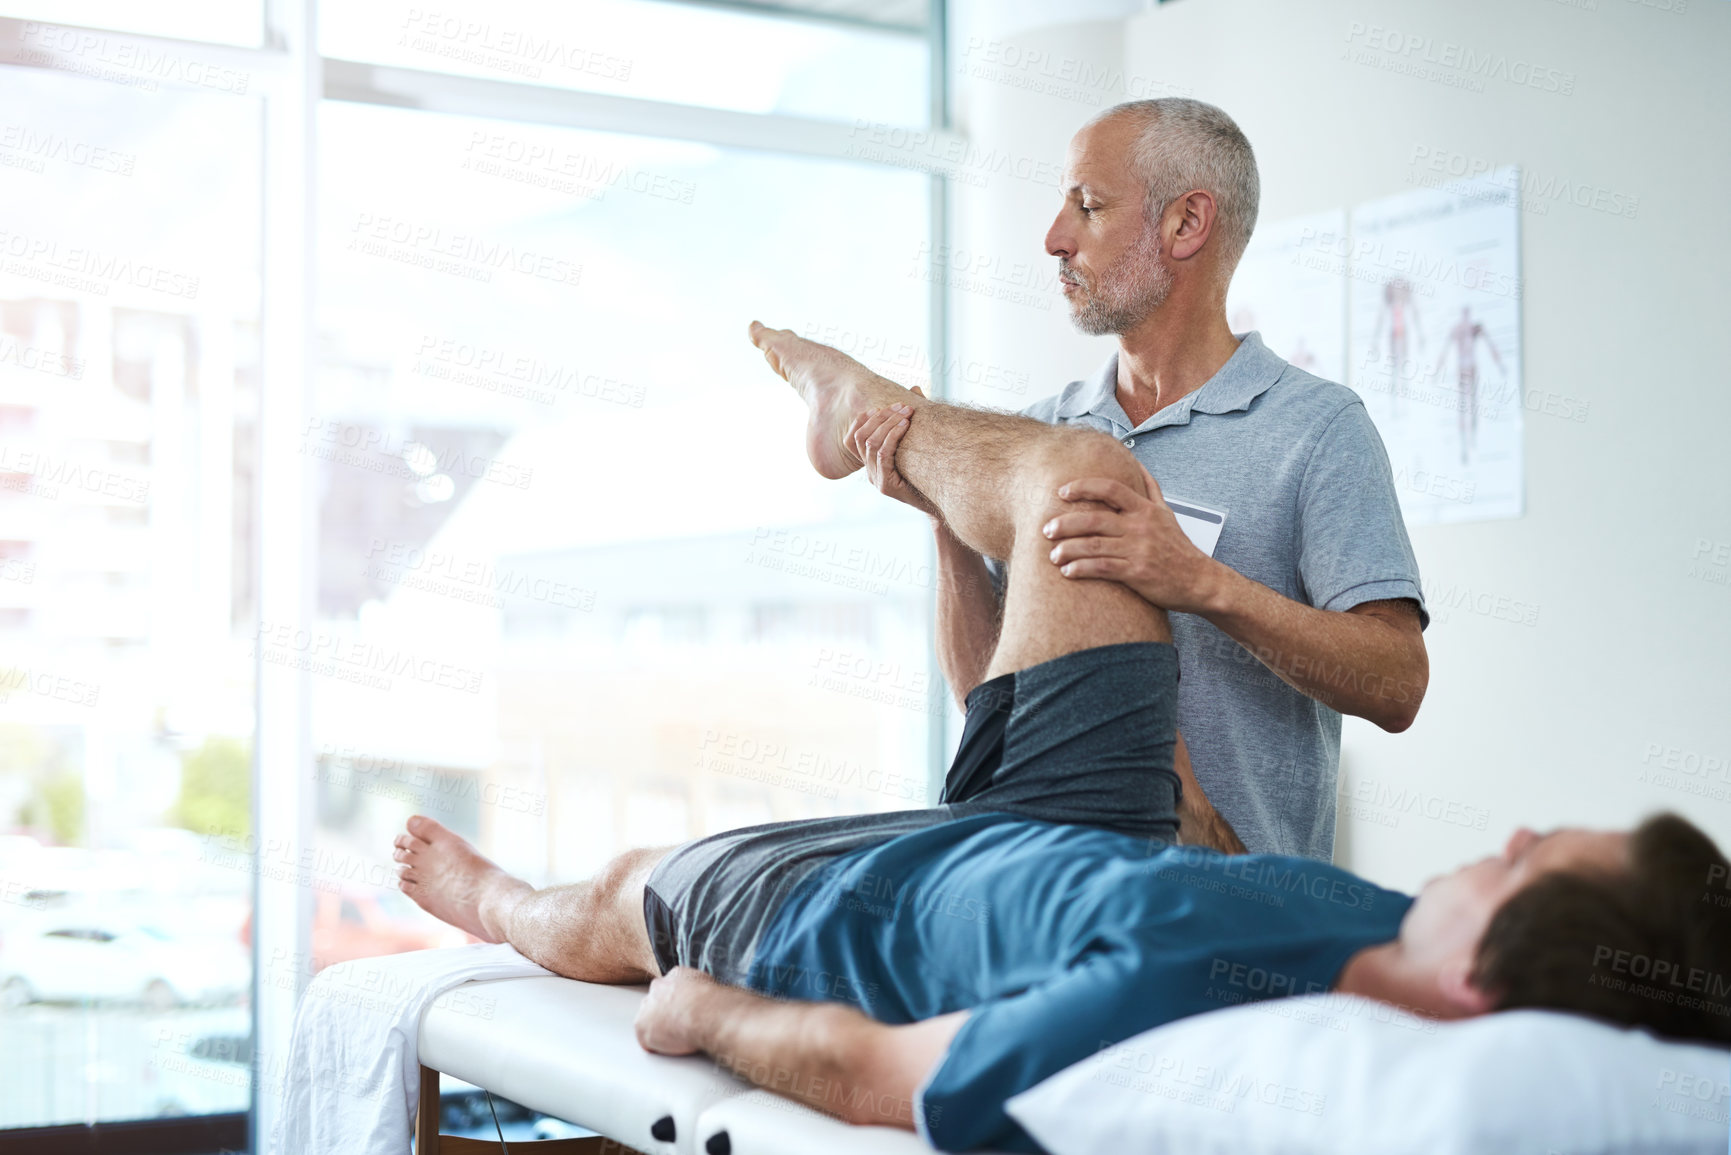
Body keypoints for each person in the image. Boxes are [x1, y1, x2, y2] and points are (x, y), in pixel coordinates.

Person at [393, 323, 1731, 1152]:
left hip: (872, 902)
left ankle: (497, 899)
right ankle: (878, 424)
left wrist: (710, 1009)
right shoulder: (1383, 920)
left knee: (634, 887)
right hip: (1091, 816)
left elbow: (877, 1075)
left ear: (1482, 989)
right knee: (1087, 479)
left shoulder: (1188, 1012)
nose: (1502, 835)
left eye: (1528, 858)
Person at [852, 98, 1429, 861]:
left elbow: (1396, 685)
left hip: (1233, 924)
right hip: (1048, 887)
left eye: (1086, 207)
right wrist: (946, 521)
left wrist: (1197, 580)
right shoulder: (1039, 436)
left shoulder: (1318, 429)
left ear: (1186, 224)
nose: (1054, 238)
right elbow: (988, 704)